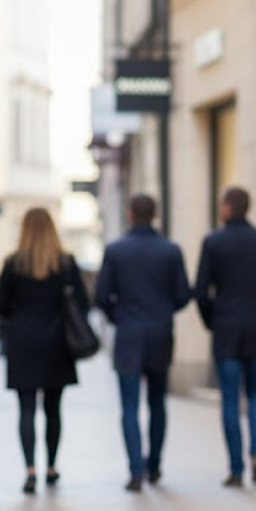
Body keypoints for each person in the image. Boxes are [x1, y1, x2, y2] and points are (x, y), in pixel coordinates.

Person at [95, 194, 191, 492]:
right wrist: (163, 313)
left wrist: (120, 317)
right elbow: (183, 295)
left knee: (129, 405)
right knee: (158, 402)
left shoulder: (116, 250)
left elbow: (100, 296)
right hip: (160, 331)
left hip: (128, 333)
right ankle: (155, 465)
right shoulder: (170, 250)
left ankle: (135, 469)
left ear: (130, 214)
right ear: (156, 214)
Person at [194, 186, 256, 487]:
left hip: (226, 329)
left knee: (231, 400)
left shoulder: (213, 242)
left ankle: (236, 468)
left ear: (226, 208)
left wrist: (213, 320)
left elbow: (200, 291)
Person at [0, 208, 90, 495]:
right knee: (53, 409)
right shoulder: (65, 263)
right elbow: (83, 303)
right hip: (57, 342)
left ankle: (29, 471)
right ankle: (51, 466)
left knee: (25, 409)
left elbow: (1, 305)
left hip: (23, 342)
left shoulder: (13, 264)